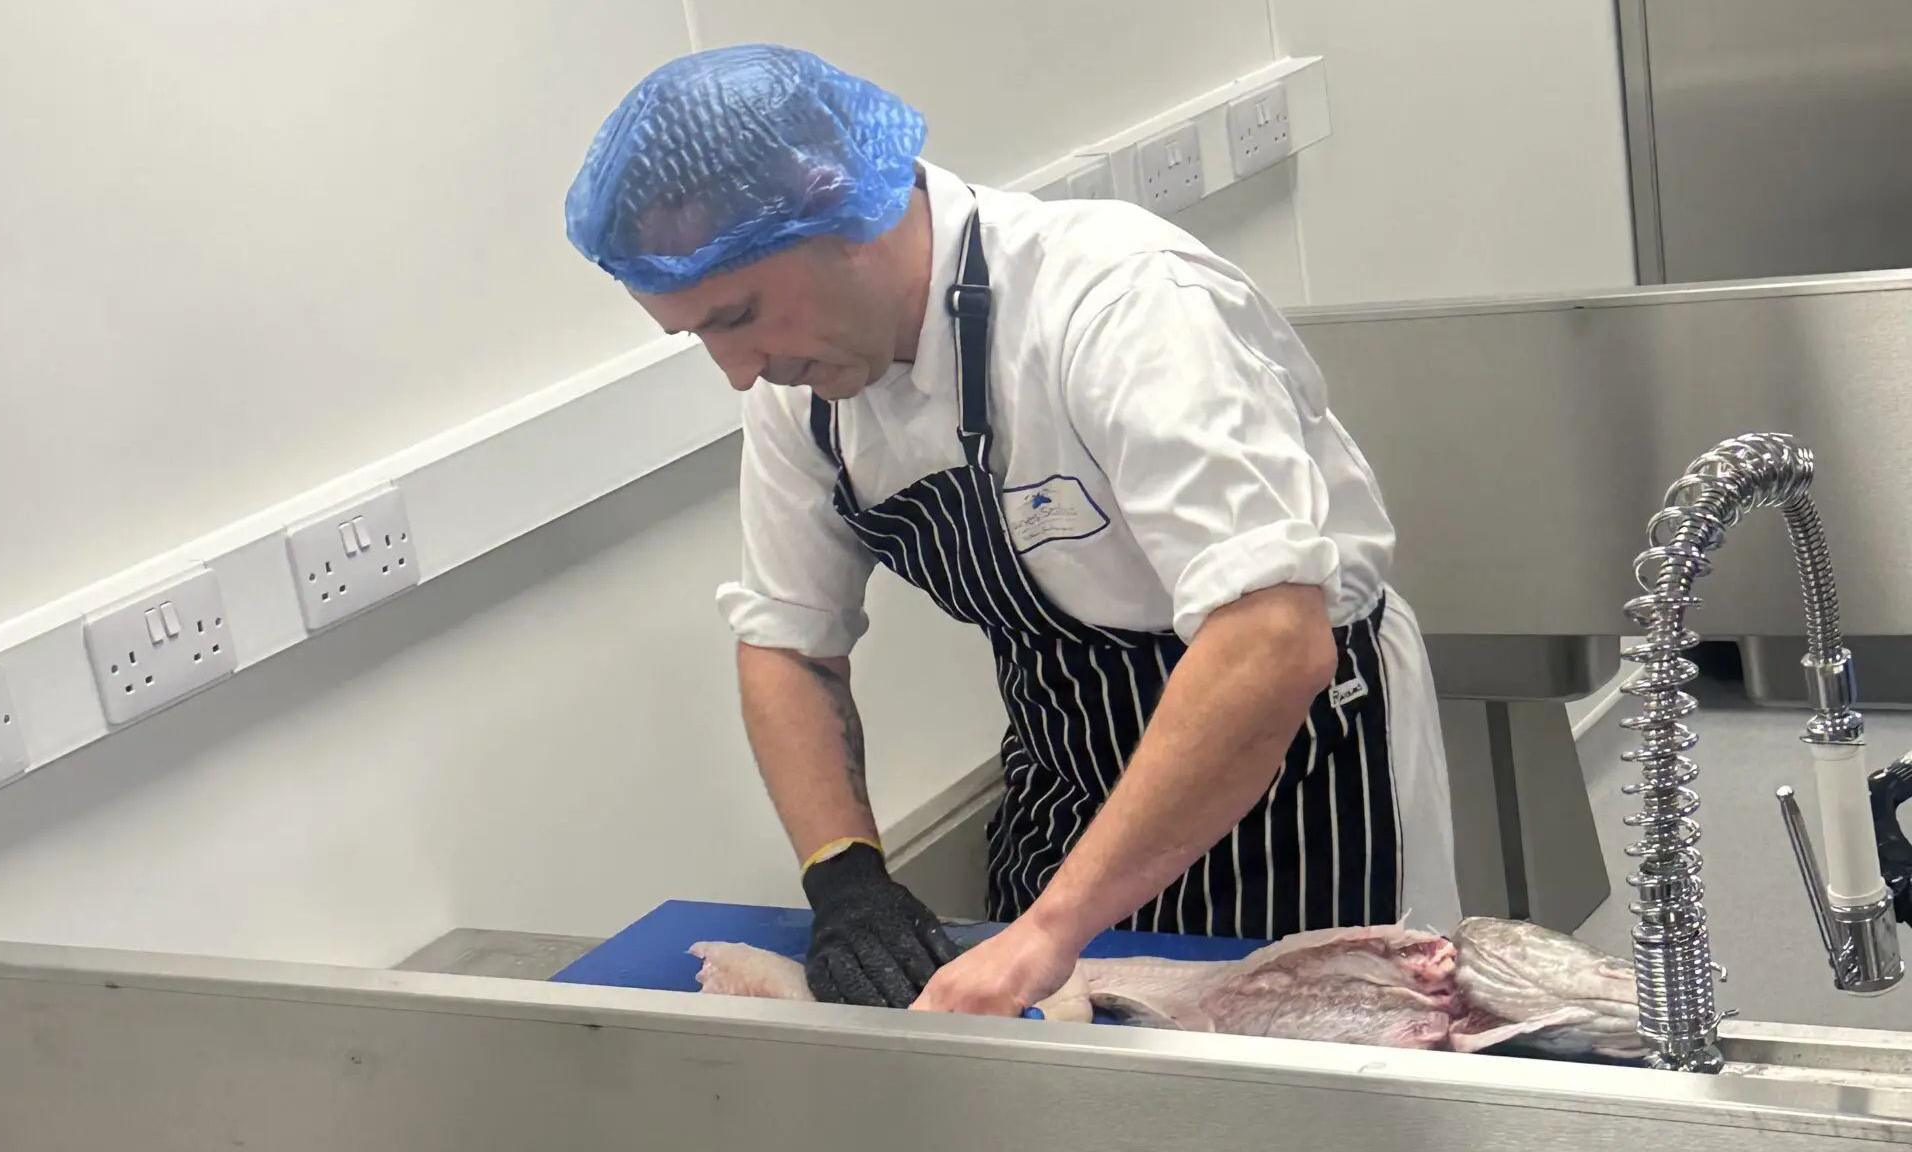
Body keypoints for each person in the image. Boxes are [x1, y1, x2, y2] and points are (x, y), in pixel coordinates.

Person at [565, 44, 1459, 1018]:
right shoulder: (805, 389)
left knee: (1306, 1082)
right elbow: (786, 643)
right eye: (699, 335)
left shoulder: (1117, 302)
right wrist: (844, 876)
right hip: (1064, 755)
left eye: (737, 315)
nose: (737, 370)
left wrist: (1048, 929)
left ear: (847, 216)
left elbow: (1269, 639)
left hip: (1297, 774)